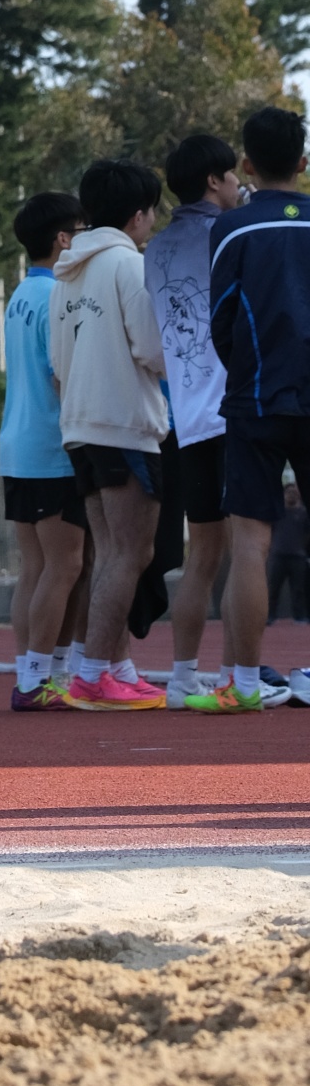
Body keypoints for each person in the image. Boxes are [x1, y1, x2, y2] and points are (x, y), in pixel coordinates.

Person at [49, 159, 169, 712]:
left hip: (80, 425)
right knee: (133, 552)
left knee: (109, 553)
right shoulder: (129, 264)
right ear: (139, 215)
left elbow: (57, 360)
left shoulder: (65, 272)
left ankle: (115, 666)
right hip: (124, 424)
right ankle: (94, 673)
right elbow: (153, 350)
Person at [208, 103, 310, 712]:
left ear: (246, 164)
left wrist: (246, 372)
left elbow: (221, 320)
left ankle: (245, 682)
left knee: (250, 542)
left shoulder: (232, 229)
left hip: (255, 397)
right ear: (304, 161)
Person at [142, 132, 240, 706]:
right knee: (247, 549)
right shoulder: (229, 233)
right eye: (231, 175)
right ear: (213, 180)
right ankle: (239, 676)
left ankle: (181, 676)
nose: (238, 184)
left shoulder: (154, 249)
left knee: (203, 555)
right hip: (236, 410)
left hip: (187, 417)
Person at [0, 190, 89, 709]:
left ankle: (36, 673)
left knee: (35, 567)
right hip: (53, 447)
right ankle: (36, 679)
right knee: (65, 565)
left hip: (19, 446)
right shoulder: (57, 295)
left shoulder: (21, 294)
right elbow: (62, 376)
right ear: (63, 238)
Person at [267, 473, 308, 622]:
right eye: (288, 492)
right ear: (283, 495)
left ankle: (300, 617)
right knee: (273, 588)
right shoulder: (276, 514)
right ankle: (270, 616)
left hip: (298, 557)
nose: (291, 495)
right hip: (278, 555)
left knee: (298, 589)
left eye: (294, 492)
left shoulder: (304, 514)